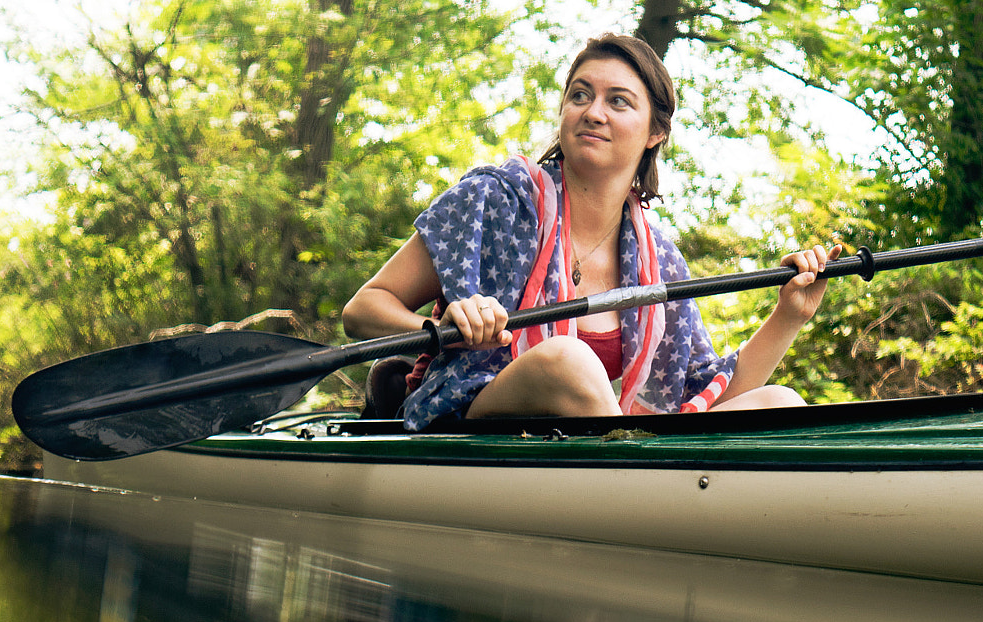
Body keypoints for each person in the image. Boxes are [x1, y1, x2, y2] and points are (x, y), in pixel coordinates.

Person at [343, 32, 835, 428]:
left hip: (594, 454)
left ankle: (656, 494)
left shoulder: (659, 260)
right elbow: (363, 311)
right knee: (569, 362)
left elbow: (708, 392)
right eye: (580, 95)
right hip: (470, 425)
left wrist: (789, 314)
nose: (593, 111)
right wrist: (443, 332)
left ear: (655, 132)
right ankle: (640, 488)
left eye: (618, 102)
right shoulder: (495, 199)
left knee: (780, 402)